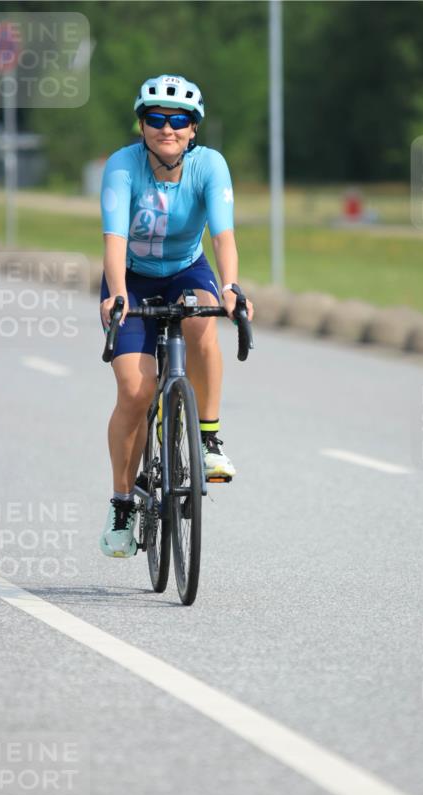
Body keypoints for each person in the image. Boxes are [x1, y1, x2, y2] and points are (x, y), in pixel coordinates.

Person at [98, 74, 254, 559]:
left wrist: (230, 287)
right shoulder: (123, 167)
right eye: (156, 119)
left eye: (179, 119)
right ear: (142, 125)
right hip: (132, 277)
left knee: (200, 320)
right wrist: (118, 295)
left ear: (193, 129)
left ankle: (208, 439)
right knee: (135, 390)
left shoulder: (210, 166)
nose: (167, 128)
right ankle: (123, 504)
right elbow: (114, 240)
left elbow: (223, 237)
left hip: (188, 270)